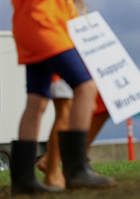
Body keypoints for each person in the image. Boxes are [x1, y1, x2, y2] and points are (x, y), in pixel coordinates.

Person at [10, 0, 116, 194]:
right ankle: (76, 169)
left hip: (29, 25)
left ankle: (23, 179)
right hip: (47, 23)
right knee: (86, 86)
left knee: (36, 100)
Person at [36, 75, 110, 189]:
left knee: (102, 104)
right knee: (66, 108)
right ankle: (53, 169)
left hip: (89, 60)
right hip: (62, 60)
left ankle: (77, 163)